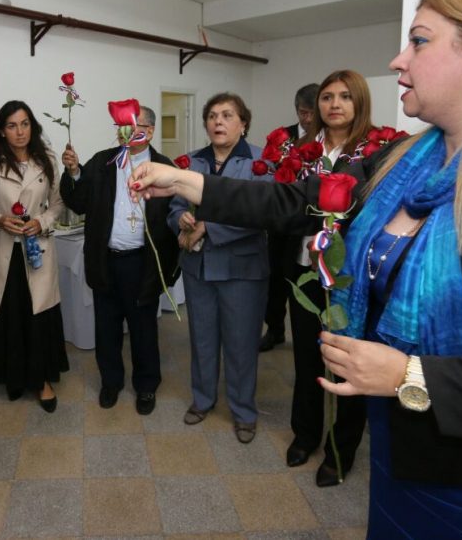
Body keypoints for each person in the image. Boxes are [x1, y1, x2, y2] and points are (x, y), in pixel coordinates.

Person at [129, 0, 462, 537]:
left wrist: (411, 375)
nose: (398, 60)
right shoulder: (406, 160)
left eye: (419, 41)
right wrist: (184, 181)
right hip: (407, 457)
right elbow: (295, 202)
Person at [281, 71, 374, 486]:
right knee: (306, 357)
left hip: (350, 277)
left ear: (359, 102)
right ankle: (305, 434)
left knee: (347, 362)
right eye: (327, 97)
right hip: (305, 268)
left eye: (345, 97)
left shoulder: (375, 152)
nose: (335, 104)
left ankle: (341, 448)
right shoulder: (301, 150)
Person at [60, 102, 179, 415]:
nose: (126, 131)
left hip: (143, 262)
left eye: (134, 125)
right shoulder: (104, 161)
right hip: (106, 259)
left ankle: (146, 385)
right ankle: (110, 382)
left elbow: (174, 213)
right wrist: (73, 172)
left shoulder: (164, 167)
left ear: (149, 131)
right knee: (107, 327)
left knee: (143, 328)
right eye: (122, 125)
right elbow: (79, 201)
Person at [167, 92, 269, 443]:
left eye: (227, 115)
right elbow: (175, 206)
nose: (218, 122)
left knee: (241, 343)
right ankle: (203, 399)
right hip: (199, 267)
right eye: (212, 116)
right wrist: (180, 219)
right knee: (202, 339)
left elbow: (260, 214)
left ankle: (243, 412)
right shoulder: (192, 161)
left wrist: (208, 227)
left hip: (242, 270)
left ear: (243, 123)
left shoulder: (261, 162)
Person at [0, 100, 69, 411]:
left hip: (36, 250)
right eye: (12, 125)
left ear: (32, 126)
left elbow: (58, 204)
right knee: (9, 317)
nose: (20, 132)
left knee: (37, 316)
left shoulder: (47, 159)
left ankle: (42, 381)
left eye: (25, 124)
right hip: (2, 250)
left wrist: (41, 222)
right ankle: (12, 377)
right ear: (2, 130)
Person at [261, 82, 318, 353]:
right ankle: (274, 329)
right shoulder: (282, 137)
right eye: (302, 112)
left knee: (304, 281)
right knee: (275, 279)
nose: (307, 119)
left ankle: (307, 335)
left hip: (311, 225)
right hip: (281, 223)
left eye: (312, 113)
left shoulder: (326, 138)